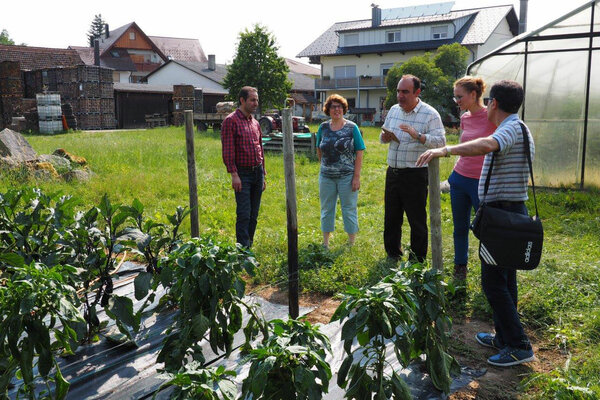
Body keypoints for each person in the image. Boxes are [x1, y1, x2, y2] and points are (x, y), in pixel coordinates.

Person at [416, 80, 535, 367]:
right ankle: (504, 337)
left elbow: (487, 144)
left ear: (493, 103)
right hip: (505, 212)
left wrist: (446, 150)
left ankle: (519, 345)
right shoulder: (517, 126)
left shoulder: (509, 128)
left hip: (504, 215)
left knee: (493, 282)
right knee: (505, 279)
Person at [380, 74, 445, 263]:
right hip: (393, 171)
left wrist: (418, 135)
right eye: (398, 91)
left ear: (417, 92)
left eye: (405, 92)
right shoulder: (393, 110)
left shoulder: (430, 114)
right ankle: (393, 254)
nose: (400, 96)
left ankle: (417, 260)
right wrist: (384, 137)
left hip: (415, 174)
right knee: (391, 217)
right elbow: (383, 134)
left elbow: (441, 142)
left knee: (416, 219)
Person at [449, 77, 496, 281]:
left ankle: (491, 270)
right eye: (455, 97)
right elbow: (462, 145)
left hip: (481, 182)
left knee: (486, 230)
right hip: (459, 179)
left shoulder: (491, 116)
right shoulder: (465, 117)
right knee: (459, 227)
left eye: (460, 96)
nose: (457, 100)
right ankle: (460, 269)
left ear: (474, 94)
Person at [317, 94, 365, 248]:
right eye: (333, 107)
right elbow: (319, 148)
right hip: (326, 177)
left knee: (349, 208)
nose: (336, 109)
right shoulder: (323, 127)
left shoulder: (352, 128)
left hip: (347, 177)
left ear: (344, 109)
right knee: (326, 208)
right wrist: (324, 165)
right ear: (328, 110)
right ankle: (325, 242)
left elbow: (359, 151)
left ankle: (351, 242)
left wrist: (356, 177)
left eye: (339, 107)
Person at [221, 86, 266, 248]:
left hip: (257, 172)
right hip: (242, 174)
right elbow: (228, 150)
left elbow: (260, 148)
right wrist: (234, 174)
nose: (256, 103)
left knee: (254, 214)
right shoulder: (231, 121)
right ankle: (242, 251)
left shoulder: (255, 123)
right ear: (242, 100)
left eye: (257, 100)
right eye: (252, 100)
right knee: (244, 214)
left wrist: (263, 175)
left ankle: (249, 246)